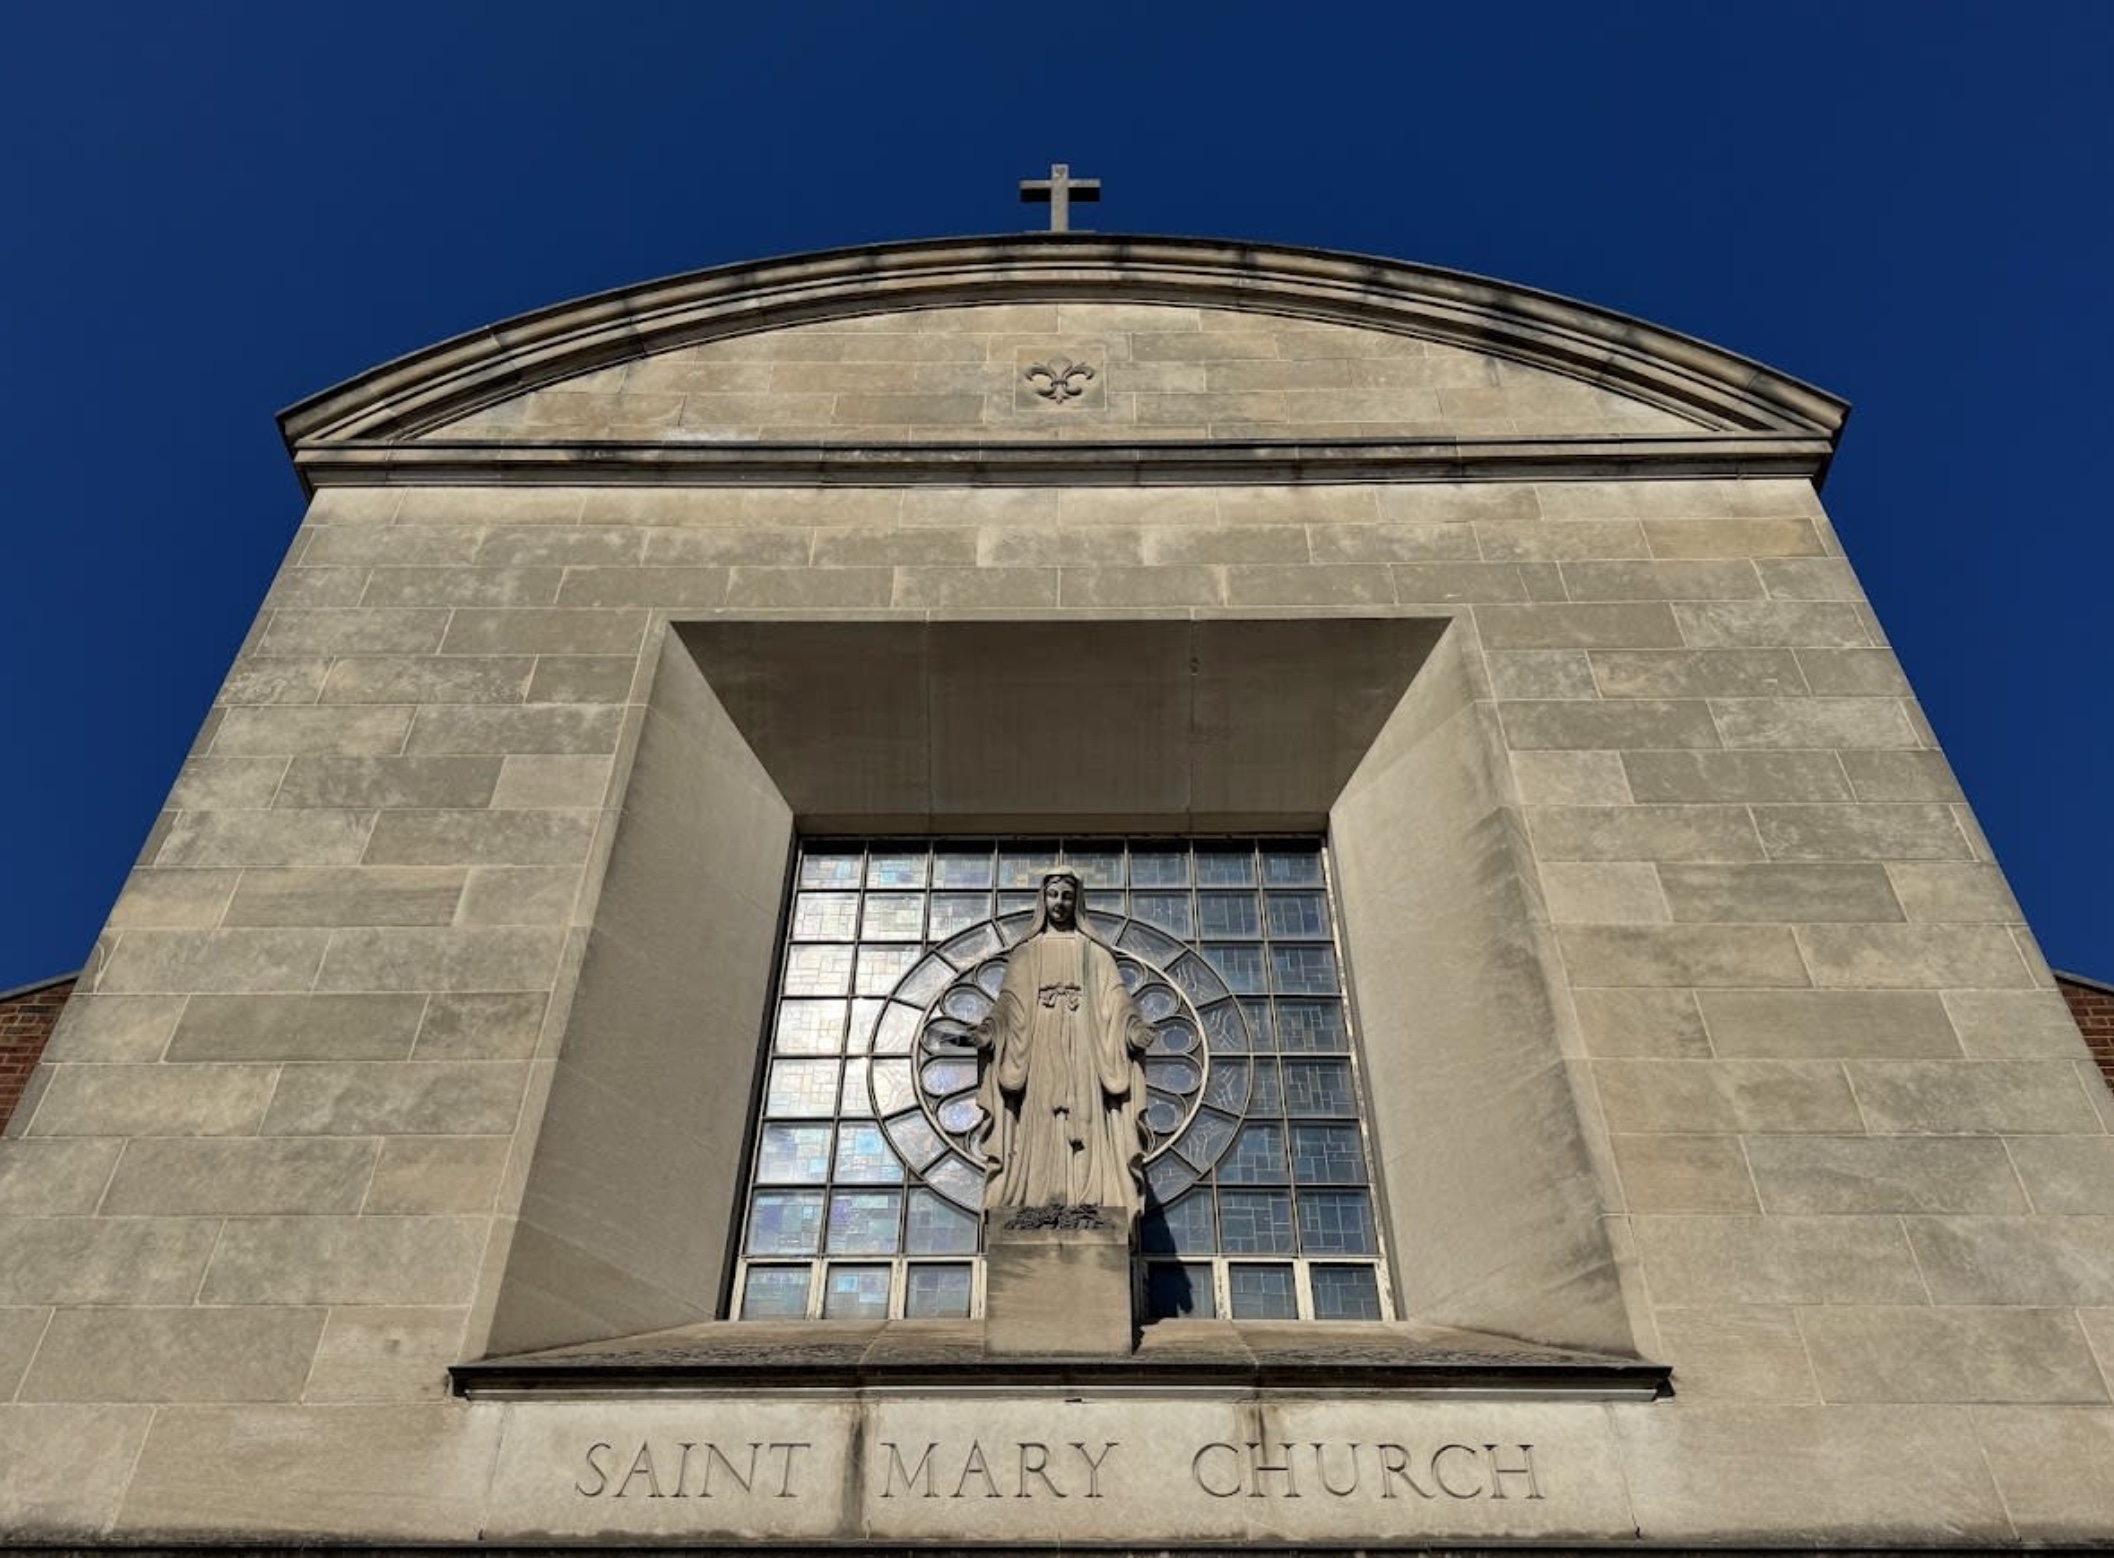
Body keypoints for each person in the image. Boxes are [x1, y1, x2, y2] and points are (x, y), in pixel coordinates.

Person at [970, 872, 1151, 1220]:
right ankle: (1040, 1200)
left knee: (1084, 1116)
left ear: (1076, 901)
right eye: (1052, 895)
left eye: (1066, 896)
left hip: (1084, 1045)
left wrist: (1132, 1029)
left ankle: (1088, 1198)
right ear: (1043, 899)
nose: (1059, 903)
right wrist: (989, 1032)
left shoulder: (1094, 952)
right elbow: (1009, 1005)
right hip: (1039, 1047)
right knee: (1041, 1117)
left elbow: (1116, 999)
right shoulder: (1028, 951)